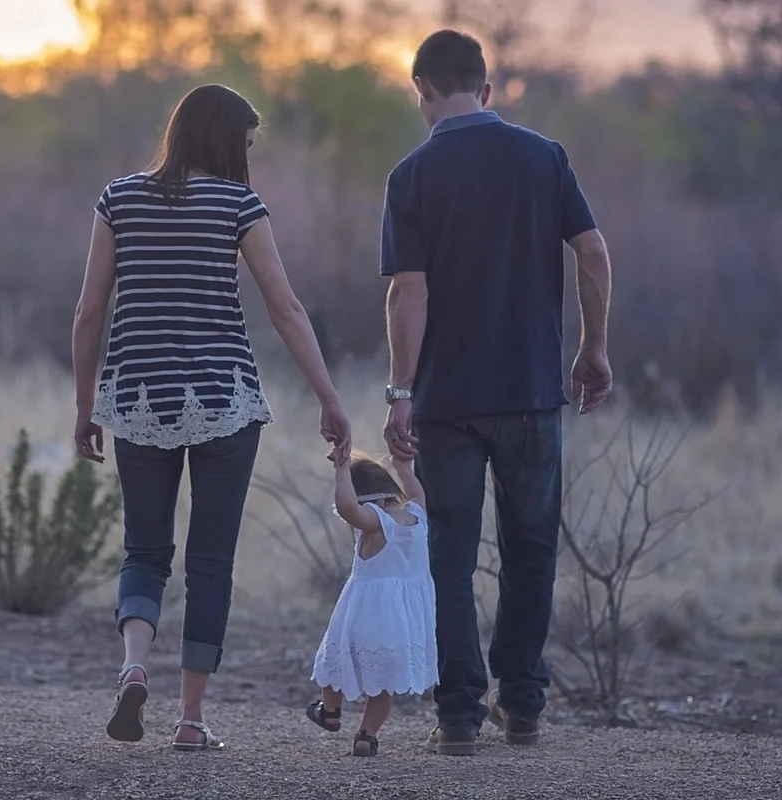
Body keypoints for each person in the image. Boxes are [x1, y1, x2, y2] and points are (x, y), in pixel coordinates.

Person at [71, 83, 352, 752]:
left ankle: (135, 665)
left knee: (144, 550)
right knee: (210, 562)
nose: (248, 157)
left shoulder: (118, 199)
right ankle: (191, 720)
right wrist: (329, 397)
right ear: (227, 140)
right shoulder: (238, 204)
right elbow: (285, 308)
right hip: (225, 400)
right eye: (247, 144)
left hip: (138, 398)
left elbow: (88, 313)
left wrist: (86, 407)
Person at [380, 30, 614, 755]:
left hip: (448, 402)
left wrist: (399, 390)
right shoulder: (543, 157)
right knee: (532, 549)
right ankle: (523, 704)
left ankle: (457, 716)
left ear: (421, 88)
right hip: (533, 392)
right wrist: (594, 346)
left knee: (449, 556)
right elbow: (594, 252)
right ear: (487, 88)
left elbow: (407, 294)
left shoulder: (412, 174)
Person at [306, 451, 438, 757]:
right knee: (384, 683)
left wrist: (341, 471)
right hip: (404, 620)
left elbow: (348, 507)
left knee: (333, 663)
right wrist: (404, 467)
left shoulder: (375, 522)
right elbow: (417, 492)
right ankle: (366, 736)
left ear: (364, 497)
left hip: (366, 613)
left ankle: (330, 712)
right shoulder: (417, 516)